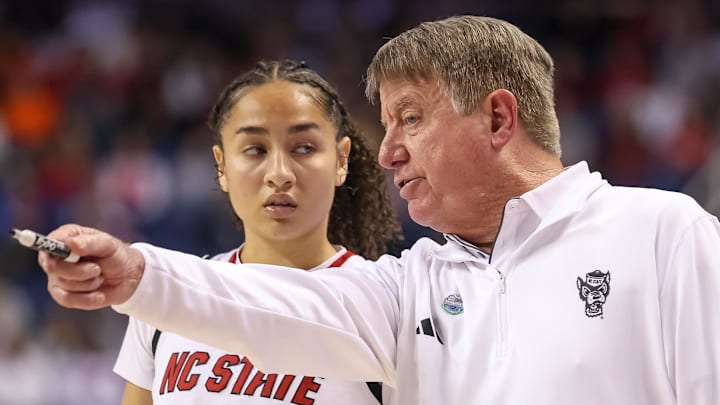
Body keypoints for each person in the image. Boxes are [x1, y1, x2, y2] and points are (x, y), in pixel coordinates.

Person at [39, 16, 720, 405]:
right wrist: (135, 274)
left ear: (498, 118)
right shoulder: (410, 282)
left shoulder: (662, 232)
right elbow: (266, 303)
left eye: (411, 119)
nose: (386, 150)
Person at [113, 60, 401, 404]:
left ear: (341, 160)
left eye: (304, 148)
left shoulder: (387, 305)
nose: (279, 174)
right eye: (255, 150)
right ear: (221, 166)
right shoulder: (168, 293)